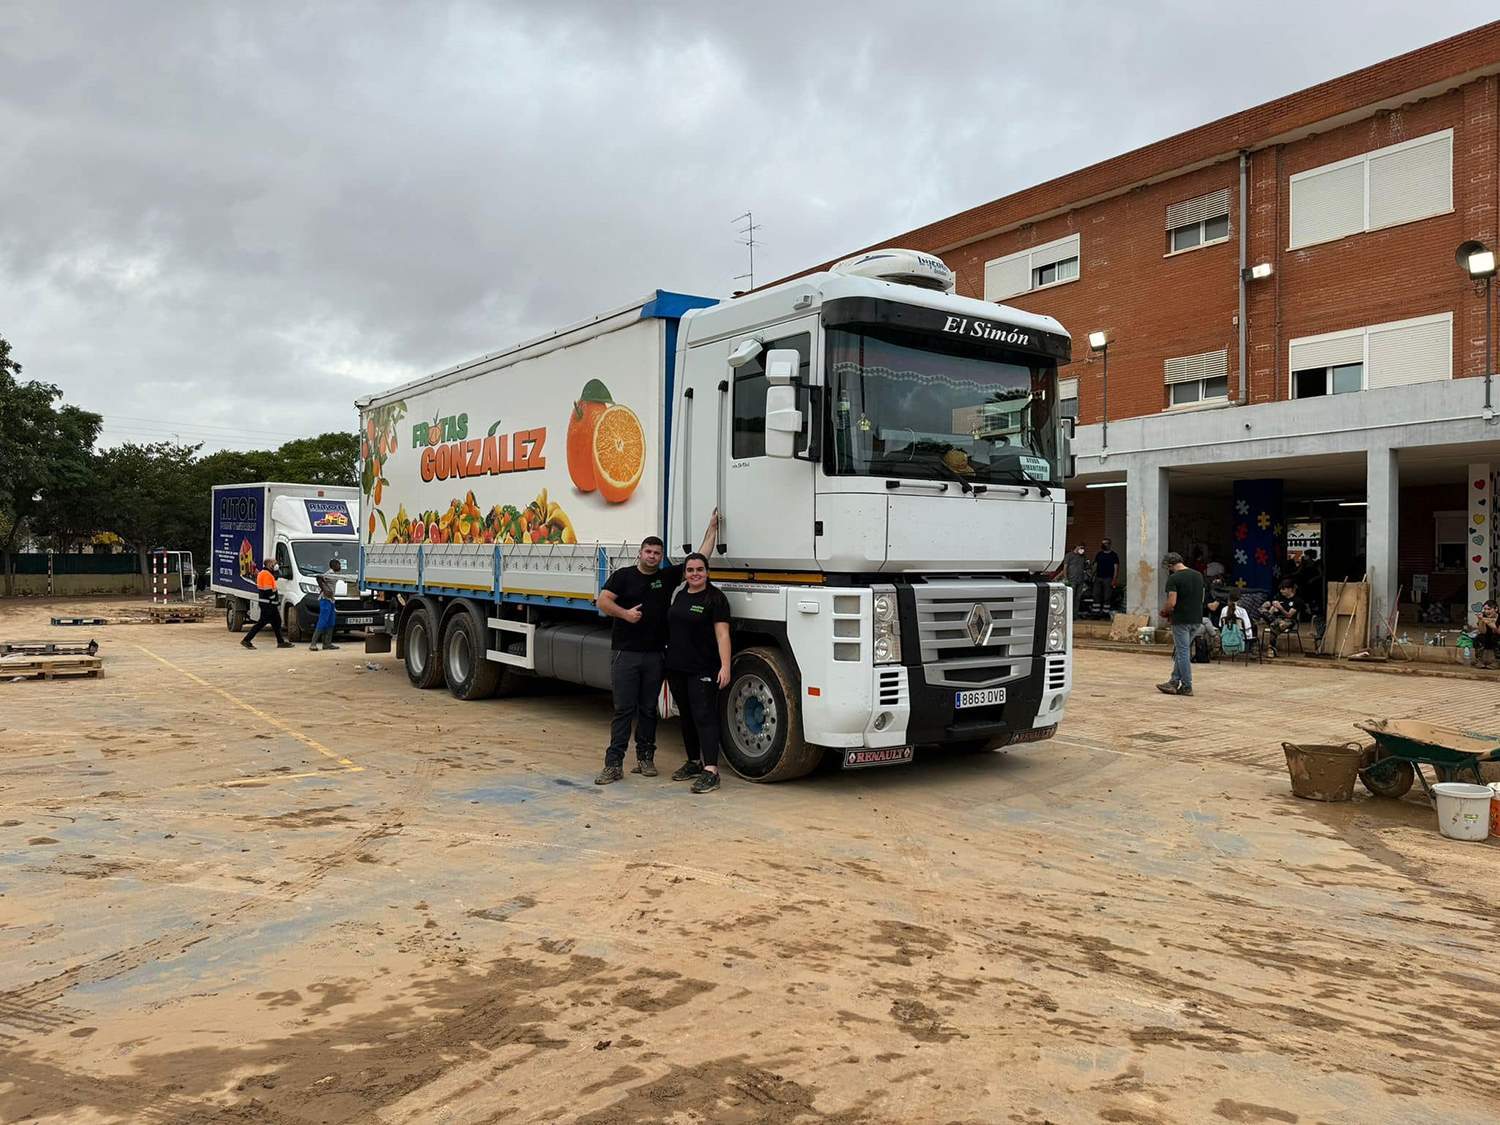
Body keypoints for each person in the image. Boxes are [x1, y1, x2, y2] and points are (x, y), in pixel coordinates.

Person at [594, 510, 720, 784]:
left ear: (661, 557)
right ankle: (613, 764)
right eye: (648, 551)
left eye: (657, 553)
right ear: (640, 553)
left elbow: (699, 559)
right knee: (624, 710)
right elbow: (602, 601)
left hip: (654, 655)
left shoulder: (665, 578)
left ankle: (645, 759)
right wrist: (626, 614)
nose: (652, 556)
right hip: (625, 654)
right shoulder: (623, 576)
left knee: (649, 709)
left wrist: (712, 529)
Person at [665, 553, 732, 794]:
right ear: (685, 573)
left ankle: (711, 770)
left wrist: (725, 666)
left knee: (704, 716)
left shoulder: (715, 598)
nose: (695, 574)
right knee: (686, 716)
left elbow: (723, 635)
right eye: (690, 570)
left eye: (699, 569)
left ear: (707, 572)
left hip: (703, 668)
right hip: (676, 667)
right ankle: (693, 762)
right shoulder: (681, 594)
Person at [1157, 551, 1204, 696]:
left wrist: (1164, 612)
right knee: (1181, 650)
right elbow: (1201, 598)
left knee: (1183, 652)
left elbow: (1172, 602)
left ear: (1170, 565)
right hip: (1196, 619)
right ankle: (1173, 681)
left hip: (1181, 620)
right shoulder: (1198, 575)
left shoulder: (1174, 578)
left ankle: (1187, 685)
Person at [241, 558, 293, 650]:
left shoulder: (265, 573)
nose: (276, 565)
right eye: (274, 563)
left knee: (277, 622)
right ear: (269, 565)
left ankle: (280, 642)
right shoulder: (266, 575)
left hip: (269, 604)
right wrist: (274, 600)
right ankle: (246, 640)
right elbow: (268, 591)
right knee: (261, 623)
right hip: (268, 604)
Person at [1259, 580, 1301, 658]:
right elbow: (1270, 608)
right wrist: (1267, 606)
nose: (1281, 591)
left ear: (1290, 589)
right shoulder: (1280, 597)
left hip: (1289, 621)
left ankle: (1271, 649)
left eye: (1283, 589)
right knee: (1261, 610)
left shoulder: (1296, 600)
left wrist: (1280, 608)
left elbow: (1289, 615)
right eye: (1281, 589)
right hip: (1277, 620)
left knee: (1274, 625)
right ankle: (1271, 649)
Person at [308, 559, 343, 652]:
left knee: (331, 622)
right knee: (322, 621)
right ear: (333, 565)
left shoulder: (336, 573)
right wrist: (324, 589)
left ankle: (327, 643)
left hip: (331, 600)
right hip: (325, 600)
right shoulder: (329, 573)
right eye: (338, 564)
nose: (340, 566)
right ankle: (313, 643)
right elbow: (319, 578)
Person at [1093, 538, 1120, 615]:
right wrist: (1093, 575)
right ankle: (1096, 612)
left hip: (1108, 578)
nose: (1104, 545)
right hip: (1098, 577)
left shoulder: (1114, 555)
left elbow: (1116, 568)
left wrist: (1114, 579)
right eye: (1102, 543)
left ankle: (1105, 613)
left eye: (1105, 543)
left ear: (1109, 544)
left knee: (1107, 596)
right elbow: (1095, 565)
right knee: (1096, 594)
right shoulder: (1099, 554)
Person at [1064, 545, 1089, 614]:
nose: (1082, 550)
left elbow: (1086, 567)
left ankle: (1075, 614)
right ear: (1077, 547)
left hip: (1080, 580)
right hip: (1072, 580)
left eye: (1083, 548)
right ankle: (1069, 614)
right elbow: (1065, 567)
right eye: (1081, 548)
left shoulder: (1083, 556)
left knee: (1078, 598)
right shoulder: (1069, 555)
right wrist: (1066, 578)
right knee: (1071, 597)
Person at [1474, 601, 1500, 669]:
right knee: (1479, 637)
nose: (1486, 611)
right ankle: (1479, 660)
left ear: (1496, 609)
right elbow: (1482, 631)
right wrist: (1480, 620)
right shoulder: (1483, 616)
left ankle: (1498, 661)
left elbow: (1498, 631)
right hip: (1488, 639)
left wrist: (1489, 623)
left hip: (1496, 639)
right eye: (1485, 609)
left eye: (1489, 609)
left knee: (1496, 638)